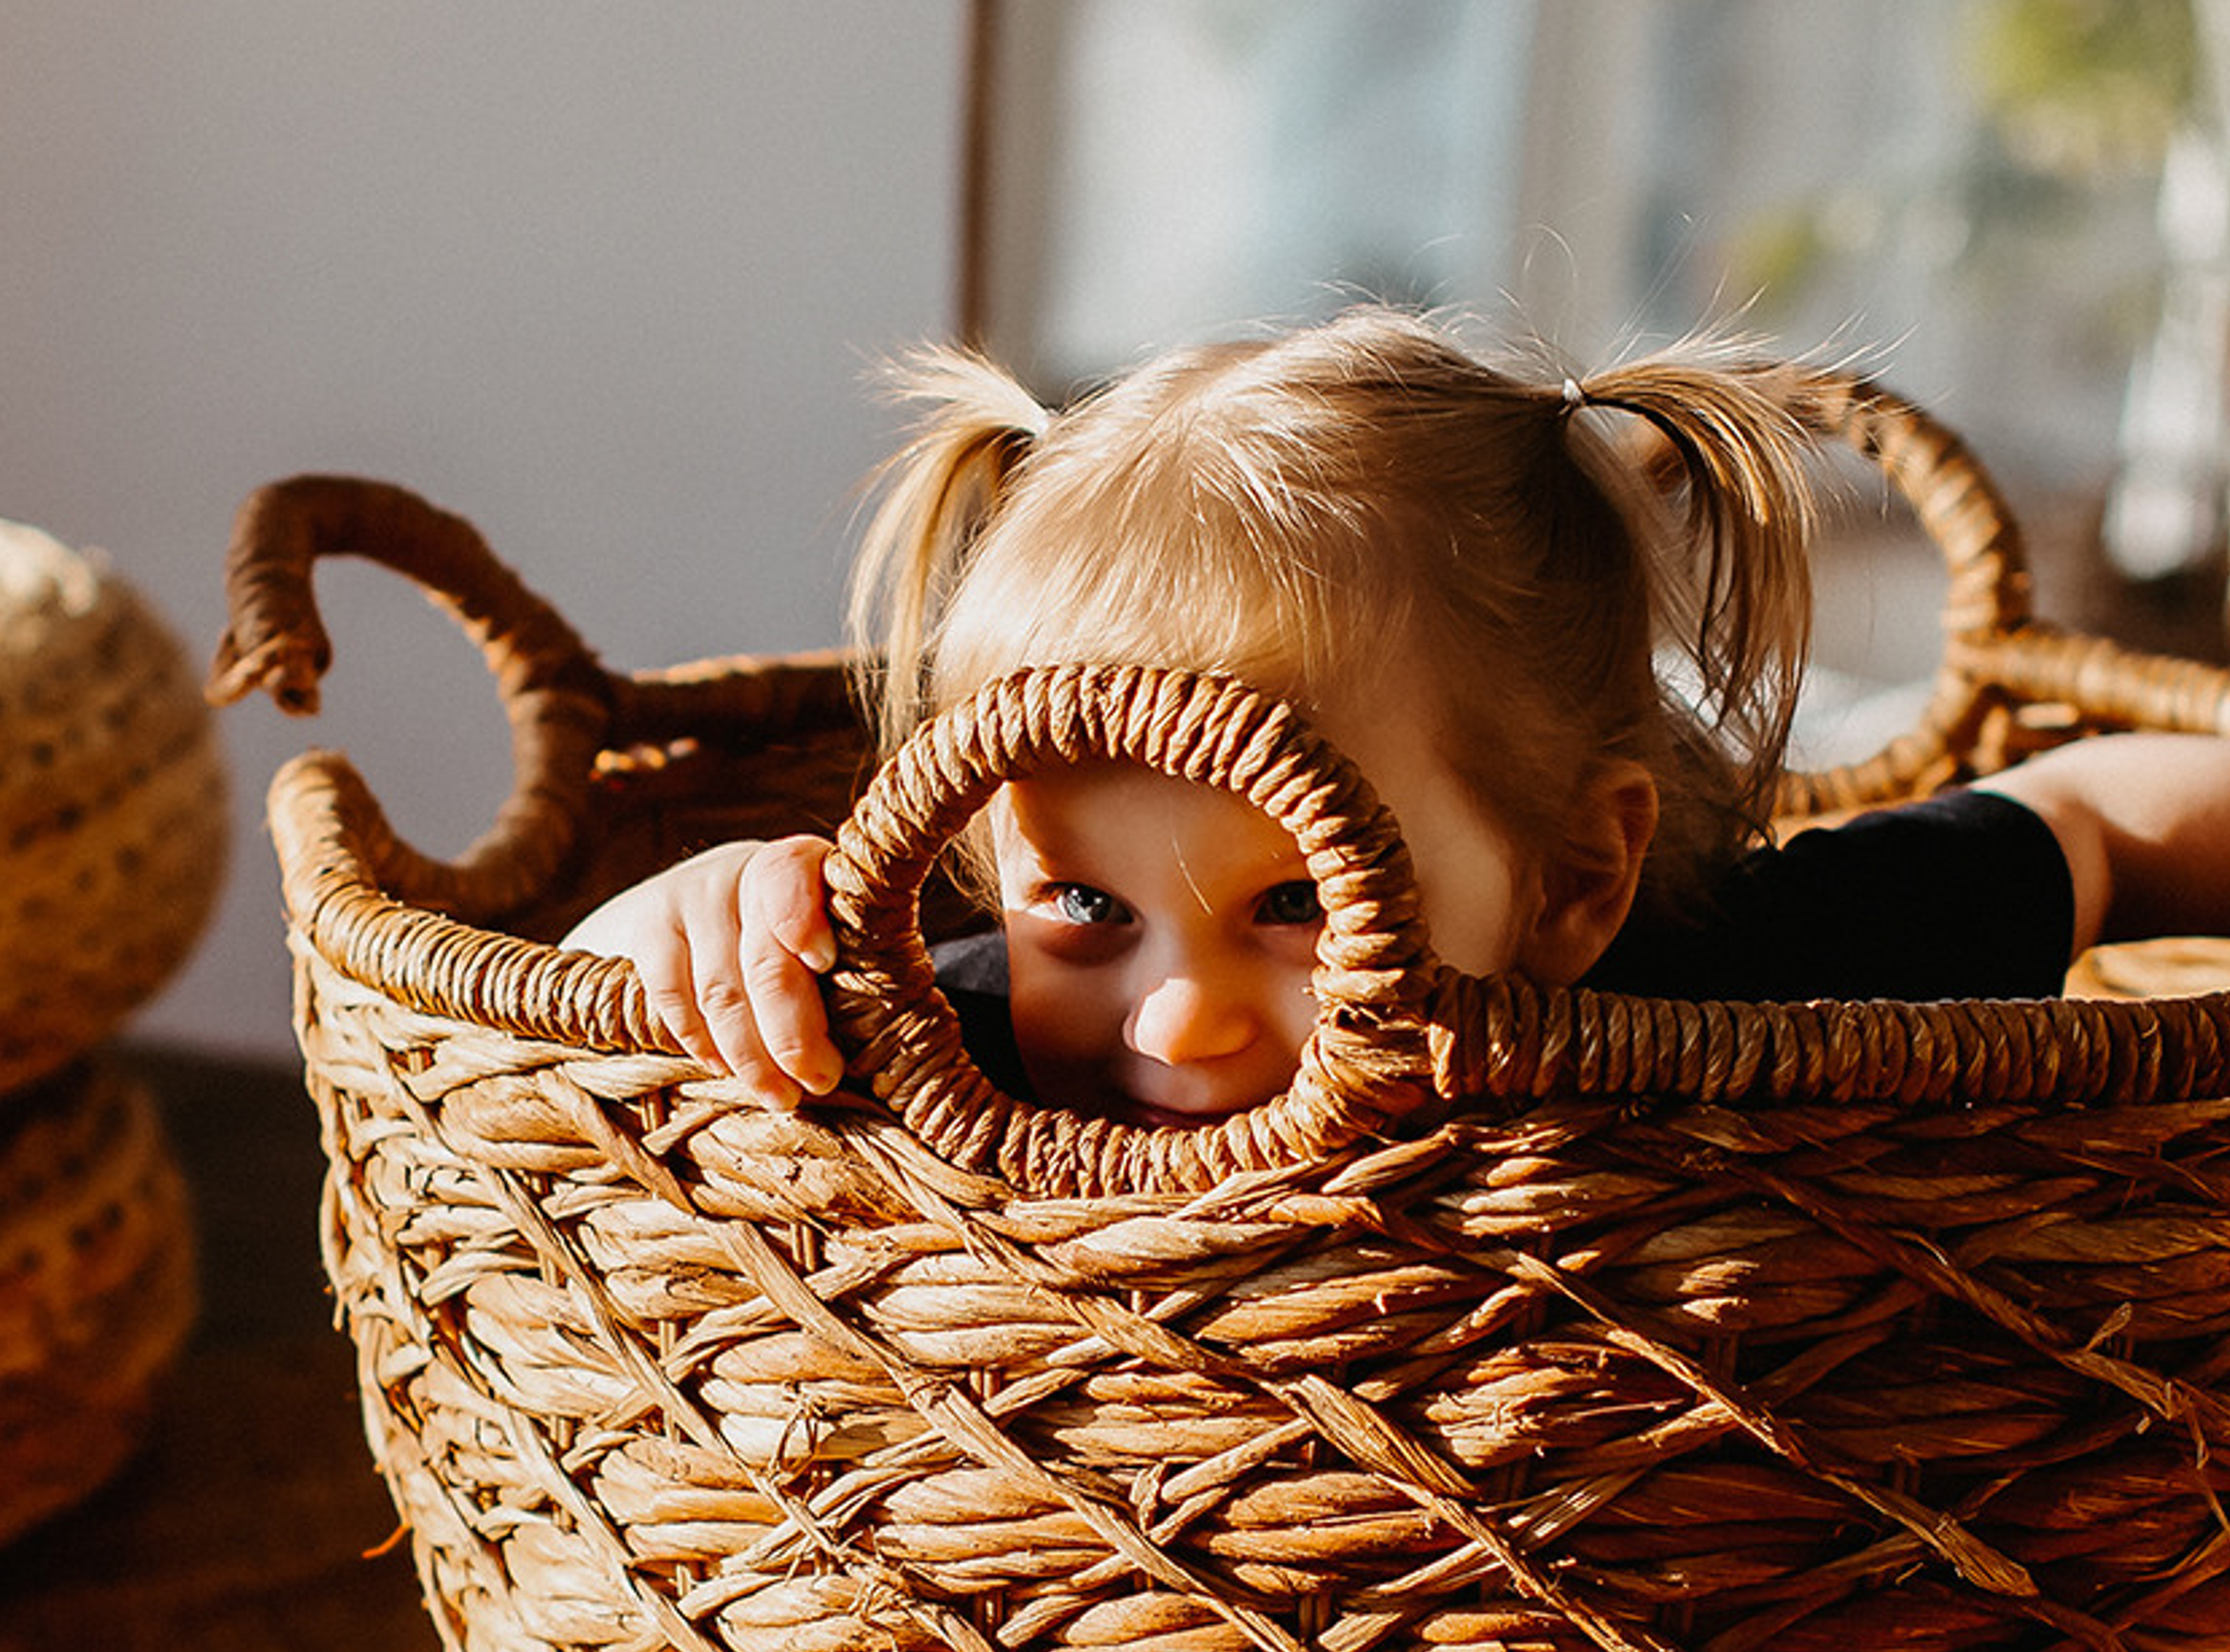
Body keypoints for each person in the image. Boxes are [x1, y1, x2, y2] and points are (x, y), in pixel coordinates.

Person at [565, 309, 2230, 1127]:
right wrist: (695, 924)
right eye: (1082, 903)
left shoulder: (1714, 987)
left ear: (1573, 882)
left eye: (1301, 901)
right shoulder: (968, 1038)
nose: (1180, 1021)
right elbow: (553, 1043)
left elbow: (2082, 818)